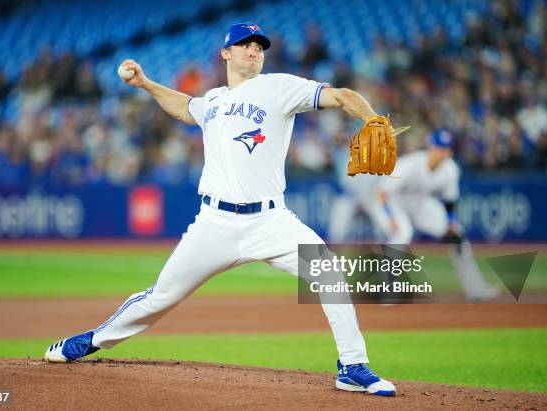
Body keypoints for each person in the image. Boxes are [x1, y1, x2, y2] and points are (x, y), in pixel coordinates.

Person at [45, 22, 398, 396]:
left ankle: (353, 366)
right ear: (225, 53)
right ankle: (93, 339)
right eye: (244, 45)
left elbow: (342, 95)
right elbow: (184, 108)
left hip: (270, 220)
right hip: (214, 223)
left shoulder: (279, 87)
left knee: (329, 274)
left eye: (259, 46)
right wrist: (147, 85)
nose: (254, 51)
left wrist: (372, 119)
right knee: (161, 297)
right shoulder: (213, 100)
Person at [372, 129, 501, 301]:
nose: (443, 153)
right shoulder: (410, 164)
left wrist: (451, 223)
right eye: (440, 148)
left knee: (458, 235)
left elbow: (450, 201)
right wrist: (390, 217)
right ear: (431, 147)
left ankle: (476, 289)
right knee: (402, 233)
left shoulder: (450, 169)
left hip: (419, 204)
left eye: (447, 149)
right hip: (391, 203)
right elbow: (381, 192)